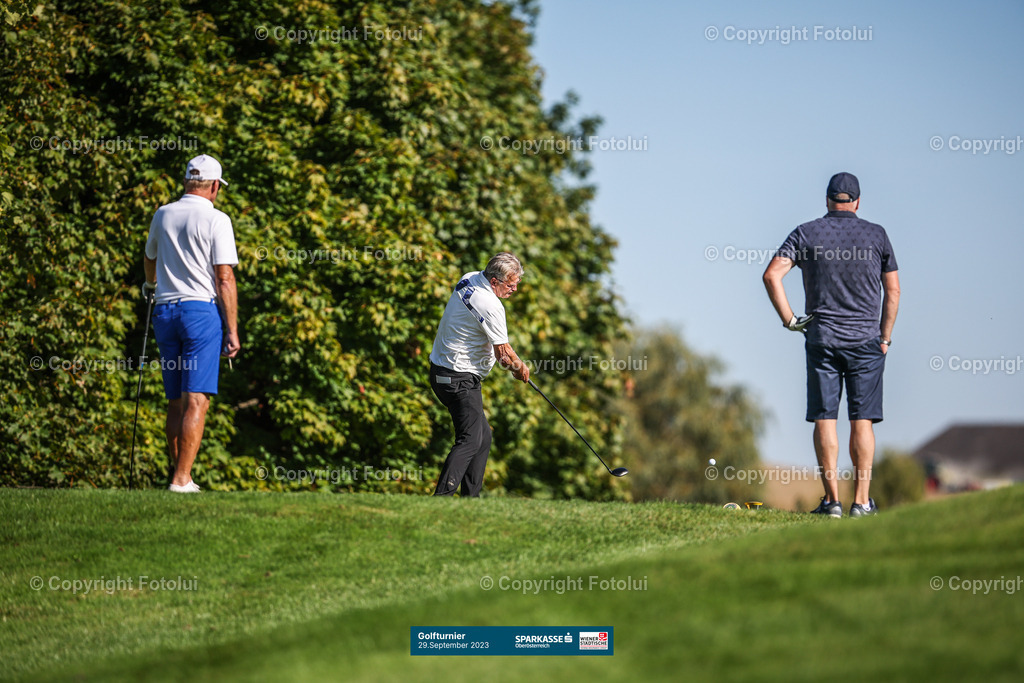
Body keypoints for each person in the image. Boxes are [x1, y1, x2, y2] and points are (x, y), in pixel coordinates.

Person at [762, 172, 900, 517]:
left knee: (825, 419)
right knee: (862, 421)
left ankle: (832, 502)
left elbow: (771, 274)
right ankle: (861, 503)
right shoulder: (878, 235)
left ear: (827, 200)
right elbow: (894, 290)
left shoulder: (806, 232)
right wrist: (884, 337)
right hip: (866, 341)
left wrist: (791, 320)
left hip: (822, 339)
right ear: (857, 202)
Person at [143, 154, 240, 493]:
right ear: (214, 186)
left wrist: (150, 285)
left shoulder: (163, 213)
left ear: (187, 181)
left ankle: (179, 476)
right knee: (196, 399)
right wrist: (232, 330)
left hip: (165, 313)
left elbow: (150, 257)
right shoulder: (217, 219)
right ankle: (181, 479)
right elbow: (224, 278)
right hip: (199, 313)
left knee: (175, 400)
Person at [429, 252, 530, 497]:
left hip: (446, 372)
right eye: (511, 285)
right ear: (494, 281)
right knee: (471, 438)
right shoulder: (491, 305)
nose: (515, 289)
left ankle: (470, 500)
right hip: (457, 377)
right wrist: (520, 369)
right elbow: (503, 355)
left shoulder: (470, 277)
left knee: (483, 437)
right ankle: (441, 500)